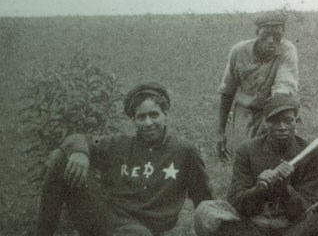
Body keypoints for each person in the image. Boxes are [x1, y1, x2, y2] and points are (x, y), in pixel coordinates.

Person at [36, 82, 213, 235]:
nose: (148, 123)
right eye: (141, 117)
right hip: (106, 219)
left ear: (165, 115)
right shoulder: (118, 144)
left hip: (145, 230)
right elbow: (79, 139)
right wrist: (81, 152)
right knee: (63, 158)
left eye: (154, 115)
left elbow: (205, 201)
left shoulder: (184, 151)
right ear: (133, 120)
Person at [194, 94, 318, 236]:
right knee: (206, 209)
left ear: (296, 121)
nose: (282, 126)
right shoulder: (247, 151)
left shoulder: (314, 155)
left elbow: (307, 208)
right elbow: (236, 203)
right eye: (275, 121)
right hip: (252, 228)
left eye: (288, 120)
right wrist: (260, 189)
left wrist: (286, 188)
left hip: (296, 229)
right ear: (265, 122)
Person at [217, 13, 299, 160]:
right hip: (244, 111)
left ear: (283, 35)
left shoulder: (287, 50)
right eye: (266, 35)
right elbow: (227, 91)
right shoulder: (239, 52)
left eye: (277, 36)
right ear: (257, 33)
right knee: (242, 158)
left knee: (272, 158)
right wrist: (221, 132)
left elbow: (283, 88)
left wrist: (274, 123)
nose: (271, 41)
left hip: (272, 111)